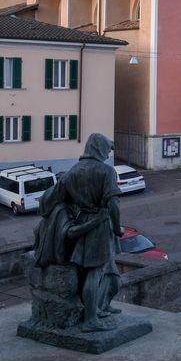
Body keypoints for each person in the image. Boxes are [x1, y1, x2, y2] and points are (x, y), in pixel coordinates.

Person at [60, 133, 124, 332]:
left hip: (82, 225)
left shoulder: (72, 172)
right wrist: (117, 227)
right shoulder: (106, 171)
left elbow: (57, 201)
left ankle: (100, 307)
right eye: (106, 150)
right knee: (94, 274)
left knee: (104, 273)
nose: (107, 155)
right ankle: (90, 319)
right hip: (100, 226)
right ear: (99, 149)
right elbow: (113, 204)